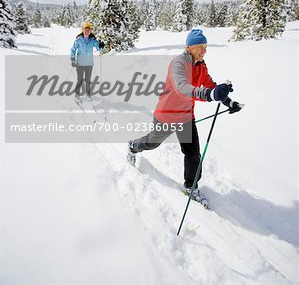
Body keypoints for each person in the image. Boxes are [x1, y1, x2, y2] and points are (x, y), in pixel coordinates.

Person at [127, 28, 242, 205]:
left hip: (186, 116)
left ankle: (191, 186)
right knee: (152, 142)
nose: (204, 50)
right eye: (200, 47)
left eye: (205, 47)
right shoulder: (178, 63)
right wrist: (210, 95)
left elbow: (210, 85)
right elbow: (182, 88)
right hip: (167, 115)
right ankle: (133, 146)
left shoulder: (201, 65)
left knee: (192, 153)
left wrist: (228, 101)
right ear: (189, 47)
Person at [70, 22, 104, 100]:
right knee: (80, 79)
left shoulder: (92, 40)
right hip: (80, 64)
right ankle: (77, 95)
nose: (87, 31)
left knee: (88, 80)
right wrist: (72, 59)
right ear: (83, 30)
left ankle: (88, 94)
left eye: (88, 30)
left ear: (90, 31)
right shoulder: (78, 40)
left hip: (89, 63)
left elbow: (98, 48)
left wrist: (101, 45)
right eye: (85, 29)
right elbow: (73, 50)